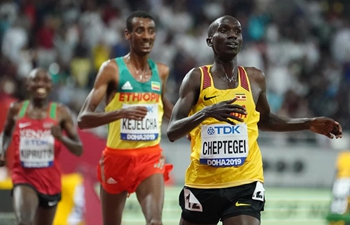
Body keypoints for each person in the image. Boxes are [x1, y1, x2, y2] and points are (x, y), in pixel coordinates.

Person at [166, 15, 343, 225]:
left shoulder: (254, 78)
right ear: (209, 41)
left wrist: (308, 122)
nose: (232, 35)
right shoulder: (197, 78)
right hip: (203, 184)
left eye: (237, 32)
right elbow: (172, 131)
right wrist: (207, 112)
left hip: (246, 182)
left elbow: (265, 120)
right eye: (224, 30)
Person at [77, 10, 173, 225]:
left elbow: (165, 108)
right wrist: (121, 113)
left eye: (151, 31)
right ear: (128, 35)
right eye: (140, 30)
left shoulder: (162, 71)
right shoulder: (112, 69)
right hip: (116, 159)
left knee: (155, 221)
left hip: (149, 157)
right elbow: (83, 119)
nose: (147, 36)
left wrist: (195, 125)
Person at [0, 68, 83, 225]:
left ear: (51, 86)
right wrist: (1, 151)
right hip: (23, 176)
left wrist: (61, 138)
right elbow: (5, 134)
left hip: (50, 181)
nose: (40, 84)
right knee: (24, 221)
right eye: (36, 80)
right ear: (28, 84)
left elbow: (79, 149)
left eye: (45, 81)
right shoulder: (16, 110)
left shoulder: (60, 112)